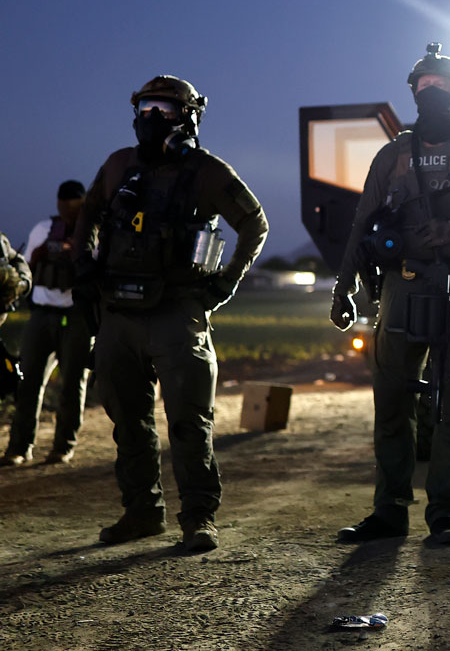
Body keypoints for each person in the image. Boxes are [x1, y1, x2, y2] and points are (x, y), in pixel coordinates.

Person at [331, 43, 450, 546]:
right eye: (422, 85)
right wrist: (343, 287)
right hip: (401, 287)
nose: (429, 92)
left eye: (440, 85)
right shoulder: (391, 155)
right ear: (412, 92)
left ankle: (444, 514)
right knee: (391, 400)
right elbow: (361, 225)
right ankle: (389, 510)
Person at [72, 75, 268, 552]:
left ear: (188, 117)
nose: (153, 119)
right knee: (127, 420)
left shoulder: (207, 171)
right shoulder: (120, 165)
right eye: (146, 109)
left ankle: (199, 518)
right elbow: (90, 213)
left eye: (165, 110)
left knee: (188, 421)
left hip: (176, 312)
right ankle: (141, 513)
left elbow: (253, 223)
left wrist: (224, 283)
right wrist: (85, 268)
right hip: (117, 311)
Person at [2, 181, 91, 467]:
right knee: (27, 383)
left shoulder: (92, 233)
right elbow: (23, 272)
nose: (67, 208)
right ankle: (19, 447)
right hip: (41, 314)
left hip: (76, 316)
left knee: (72, 386)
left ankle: (63, 447)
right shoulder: (42, 229)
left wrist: (76, 252)